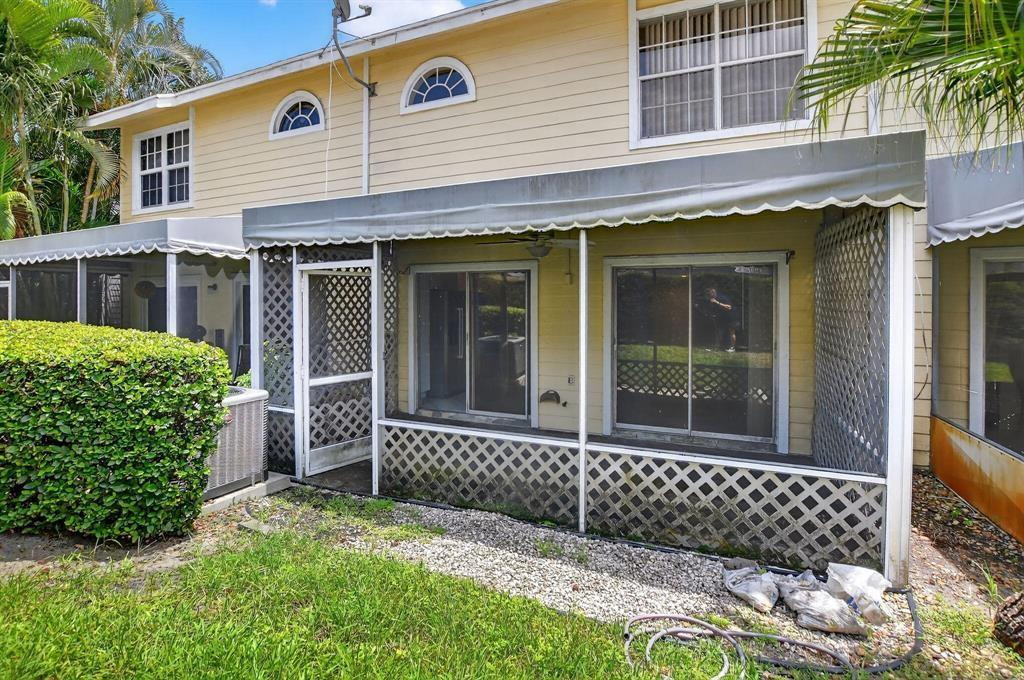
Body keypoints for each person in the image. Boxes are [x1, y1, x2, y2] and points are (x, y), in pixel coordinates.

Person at [701, 286, 739, 352]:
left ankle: (732, 348)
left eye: (709, 295)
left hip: (731, 316)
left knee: (732, 332)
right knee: (718, 332)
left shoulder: (722, 297)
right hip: (723, 317)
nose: (709, 297)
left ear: (713, 293)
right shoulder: (712, 299)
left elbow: (729, 307)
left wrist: (717, 302)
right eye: (708, 296)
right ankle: (716, 347)